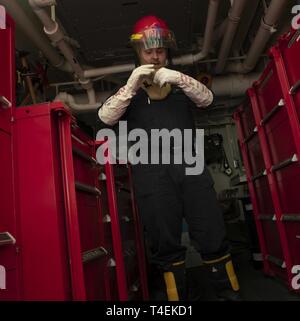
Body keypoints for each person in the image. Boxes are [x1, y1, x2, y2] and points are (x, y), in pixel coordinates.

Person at [98, 15, 240, 301]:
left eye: (160, 50)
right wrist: (131, 85)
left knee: (211, 229)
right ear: (138, 54)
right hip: (151, 174)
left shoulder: (181, 86)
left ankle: (229, 296)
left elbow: (207, 100)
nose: (155, 55)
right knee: (164, 240)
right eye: (148, 50)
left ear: (167, 51)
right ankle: (176, 303)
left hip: (190, 167)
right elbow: (105, 117)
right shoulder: (129, 92)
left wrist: (179, 78)